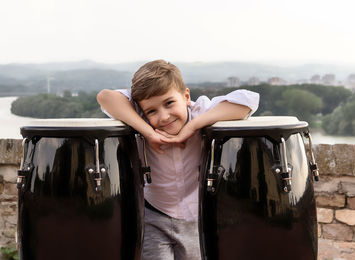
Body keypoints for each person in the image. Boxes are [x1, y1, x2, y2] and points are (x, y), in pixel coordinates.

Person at [97, 60, 259, 260]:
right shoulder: (141, 116)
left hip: (196, 218)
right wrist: (148, 132)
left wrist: (194, 127)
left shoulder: (200, 111)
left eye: (169, 103)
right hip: (154, 216)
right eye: (152, 111)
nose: (163, 117)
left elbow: (248, 101)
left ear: (186, 96)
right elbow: (105, 97)